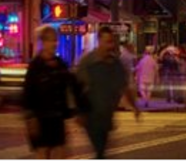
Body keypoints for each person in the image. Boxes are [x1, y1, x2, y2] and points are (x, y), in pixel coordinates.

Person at [76, 26, 140, 159]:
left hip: (107, 115)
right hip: (91, 114)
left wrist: (134, 106)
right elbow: (77, 88)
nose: (110, 45)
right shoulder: (88, 62)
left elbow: (124, 86)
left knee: (102, 150)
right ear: (99, 41)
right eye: (107, 42)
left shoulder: (115, 64)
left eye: (111, 41)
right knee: (100, 150)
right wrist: (78, 112)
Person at [23, 26, 78, 159]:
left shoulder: (60, 65)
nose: (54, 44)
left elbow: (70, 88)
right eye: (50, 40)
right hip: (40, 119)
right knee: (43, 153)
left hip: (57, 118)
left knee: (60, 153)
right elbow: (28, 94)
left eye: (55, 40)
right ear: (43, 42)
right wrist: (31, 119)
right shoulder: (35, 66)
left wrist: (71, 115)